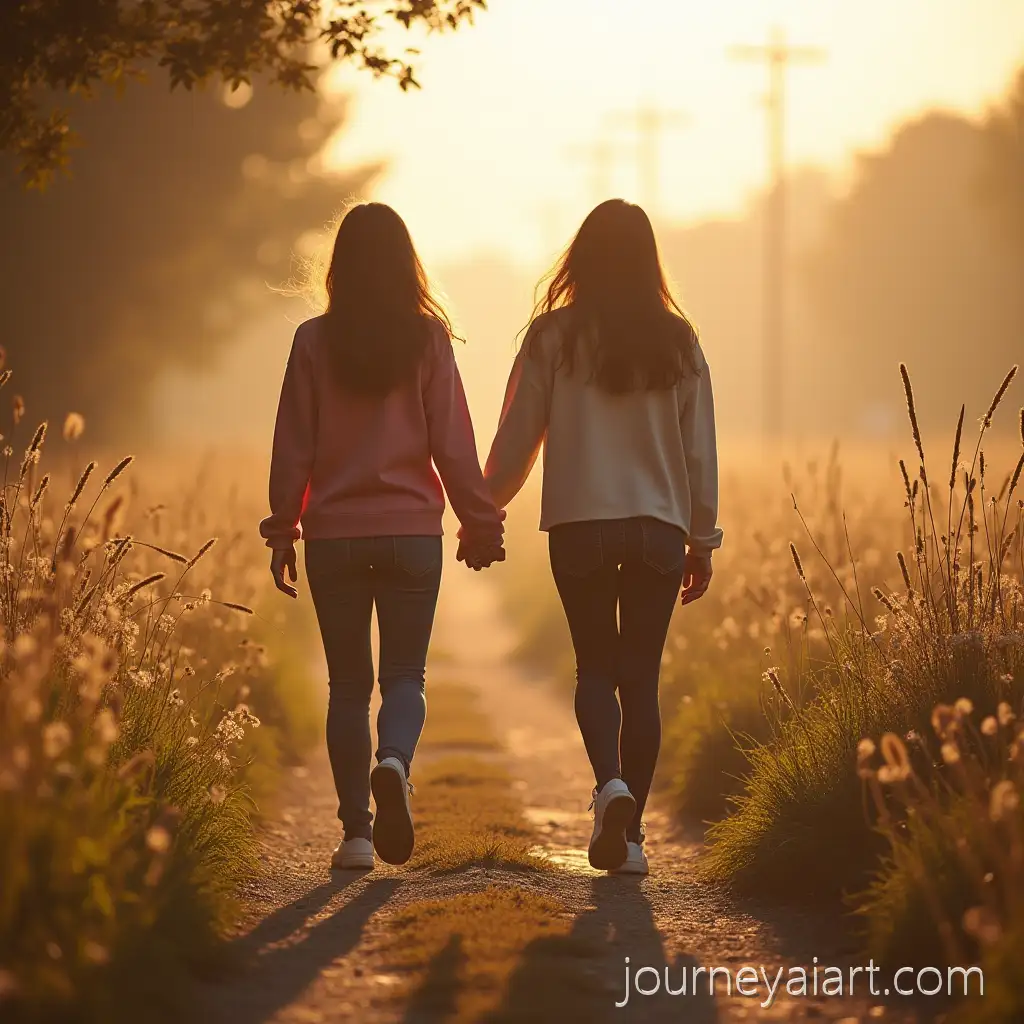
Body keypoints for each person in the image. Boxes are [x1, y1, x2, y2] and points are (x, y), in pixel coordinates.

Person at [260, 202, 504, 871]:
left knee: (346, 685)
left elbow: (294, 446)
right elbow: (454, 445)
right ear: (407, 266)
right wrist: (479, 521)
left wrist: (284, 528)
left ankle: (356, 836)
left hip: (332, 536)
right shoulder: (428, 340)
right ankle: (393, 761)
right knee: (404, 676)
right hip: (410, 535)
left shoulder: (312, 341)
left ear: (338, 268)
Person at [483, 199, 721, 876]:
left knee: (595, 668)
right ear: (650, 259)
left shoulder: (551, 337)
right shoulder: (680, 340)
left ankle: (609, 785)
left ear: (580, 257)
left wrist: (480, 504)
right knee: (641, 680)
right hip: (658, 530)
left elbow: (517, 437)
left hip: (580, 526)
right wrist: (701, 540)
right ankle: (635, 837)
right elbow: (697, 450)